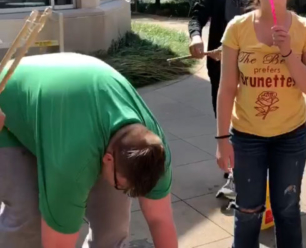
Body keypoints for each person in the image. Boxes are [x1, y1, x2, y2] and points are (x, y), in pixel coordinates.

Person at [0, 53, 177, 248]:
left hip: (69, 105)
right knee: (29, 215)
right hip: (8, 99)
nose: (129, 193)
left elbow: (160, 220)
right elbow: (58, 244)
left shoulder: (155, 153)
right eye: (124, 187)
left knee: (113, 227)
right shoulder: (71, 164)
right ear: (108, 159)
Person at [216, 0, 306, 248]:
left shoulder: (305, 29)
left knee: (287, 209)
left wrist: (288, 52)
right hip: (247, 137)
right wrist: (222, 138)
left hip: (291, 137)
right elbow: (226, 89)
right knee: (248, 211)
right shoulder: (237, 28)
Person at [188, 0, 259, 118]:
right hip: (219, 67)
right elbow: (197, 16)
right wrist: (196, 37)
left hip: (253, 68)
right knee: (222, 118)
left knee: (251, 120)